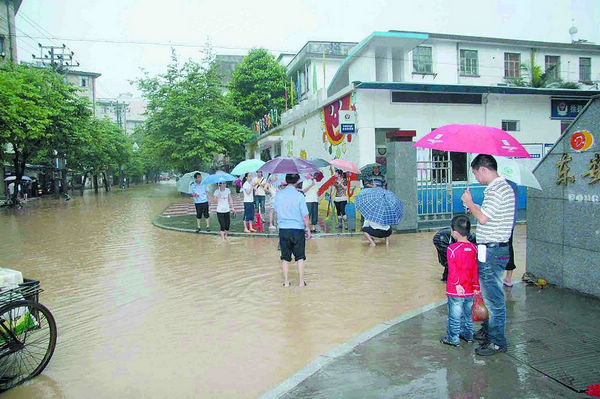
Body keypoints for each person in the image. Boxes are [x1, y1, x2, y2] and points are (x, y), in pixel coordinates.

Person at [461, 154, 515, 356]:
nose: (476, 178)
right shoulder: (501, 188)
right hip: (493, 249)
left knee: (494, 299)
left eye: (476, 173)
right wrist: (472, 206)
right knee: (489, 294)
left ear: (483, 169)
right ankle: (489, 332)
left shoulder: (497, 189)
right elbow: (489, 215)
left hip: (492, 251)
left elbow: (482, 218)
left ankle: (498, 342)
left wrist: (470, 202)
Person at [440, 215, 479, 347]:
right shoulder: (474, 248)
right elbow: (475, 269)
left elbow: (453, 270)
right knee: (468, 314)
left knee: (454, 316)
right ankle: (468, 335)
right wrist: (476, 287)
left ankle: (453, 338)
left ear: (455, 232)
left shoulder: (452, 249)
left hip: (455, 290)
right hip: (469, 289)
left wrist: (457, 284)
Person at [274, 174, 311, 287]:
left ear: (286, 180)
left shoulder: (279, 194)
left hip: (284, 230)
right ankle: (301, 283)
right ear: (297, 182)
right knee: (300, 257)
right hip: (298, 230)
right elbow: (305, 215)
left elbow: (276, 210)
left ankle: (286, 282)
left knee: (285, 258)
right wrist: (308, 228)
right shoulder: (300, 195)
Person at [504, 180, 518, 287]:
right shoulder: (513, 185)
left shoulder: (502, 185)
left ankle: (503, 277)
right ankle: (508, 278)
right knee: (508, 248)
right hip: (509, 223)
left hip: (502, 224)